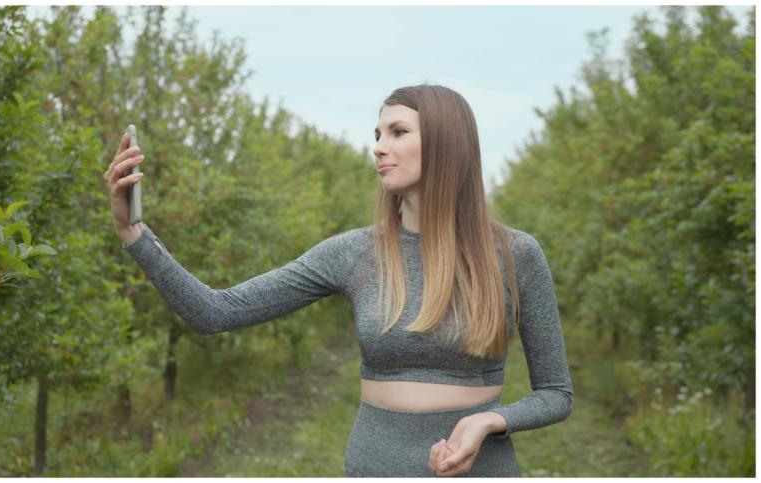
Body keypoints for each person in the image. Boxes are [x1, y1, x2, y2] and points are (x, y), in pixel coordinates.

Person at [103, 84, 573, 477]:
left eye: (398, 132)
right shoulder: (354, 252)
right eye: (377, 134)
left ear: (446, 144)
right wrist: (134, 232)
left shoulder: (514, 255)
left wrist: (491, 420)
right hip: (375, 466)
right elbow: (214, 311)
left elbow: (556, 393)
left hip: (480, 470)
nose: (378, 147)